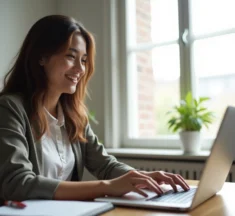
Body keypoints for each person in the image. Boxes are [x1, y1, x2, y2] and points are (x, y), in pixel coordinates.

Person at [0, 15, 189, 201]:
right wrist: (105, 187)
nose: (81, 69)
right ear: (42, 57)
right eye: (70, 56)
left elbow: (105, 165)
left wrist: (142, 178)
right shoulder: (10, 108)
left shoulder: (74, 116)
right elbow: (17, 183)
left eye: (83, 60)